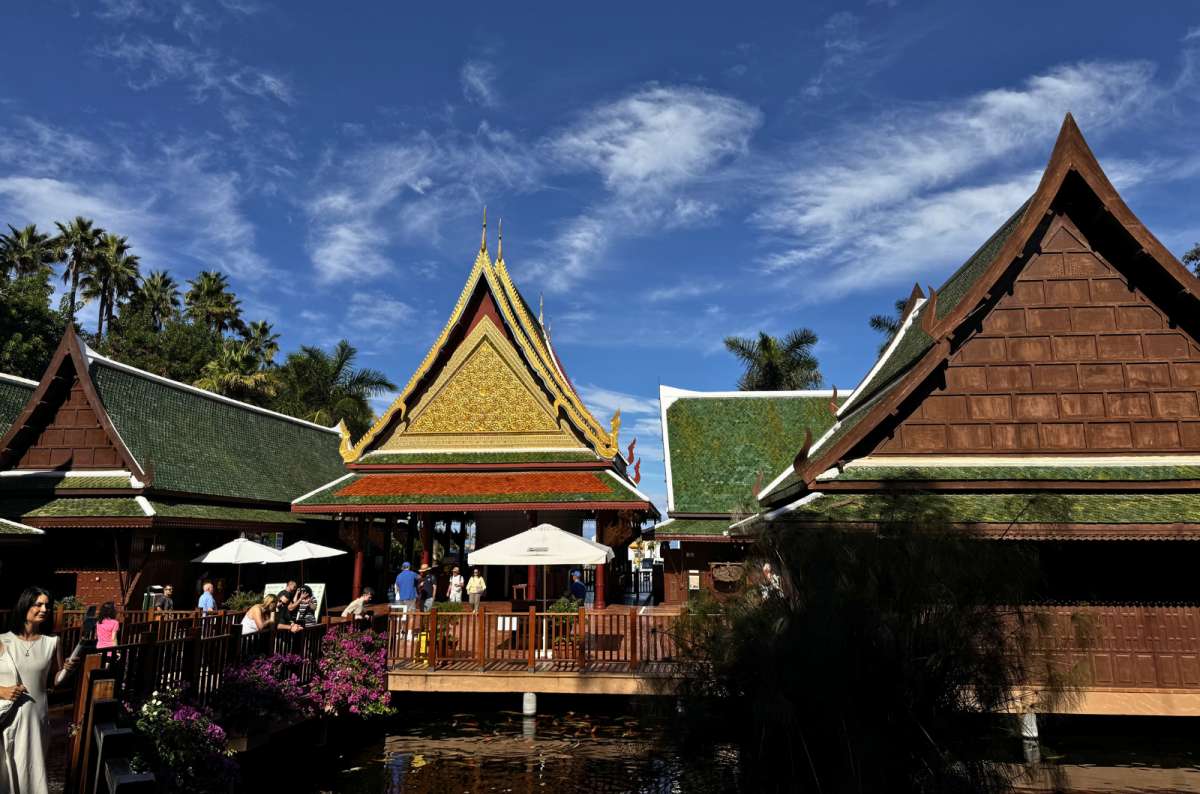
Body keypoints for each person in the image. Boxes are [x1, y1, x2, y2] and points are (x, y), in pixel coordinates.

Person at [0, 586, 76, 794]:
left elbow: (56, 681)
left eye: (47, 606)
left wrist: (67, 670)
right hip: (6, 718)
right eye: (38, 604)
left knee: (32, 773)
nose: (44, 609)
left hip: (37, 717)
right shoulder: (3, 640)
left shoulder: (52, 642)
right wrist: (2, 691)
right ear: (25, 605)